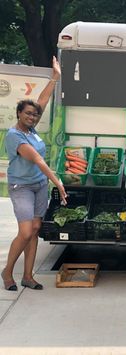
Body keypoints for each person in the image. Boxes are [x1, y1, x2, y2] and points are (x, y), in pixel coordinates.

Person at [1, 56, 67, 291]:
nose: (32, 117)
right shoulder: (15, 135)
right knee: (26, 230)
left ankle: (28, 276)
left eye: (35, 115)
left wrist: (55, 78)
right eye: (28, 114)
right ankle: (7, 272)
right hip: (22, 187)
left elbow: (42, 100)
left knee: (36, 229)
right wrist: (58, 183)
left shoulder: (31, 130)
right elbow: (38, 160)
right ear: (19, 113)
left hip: (39, 185)